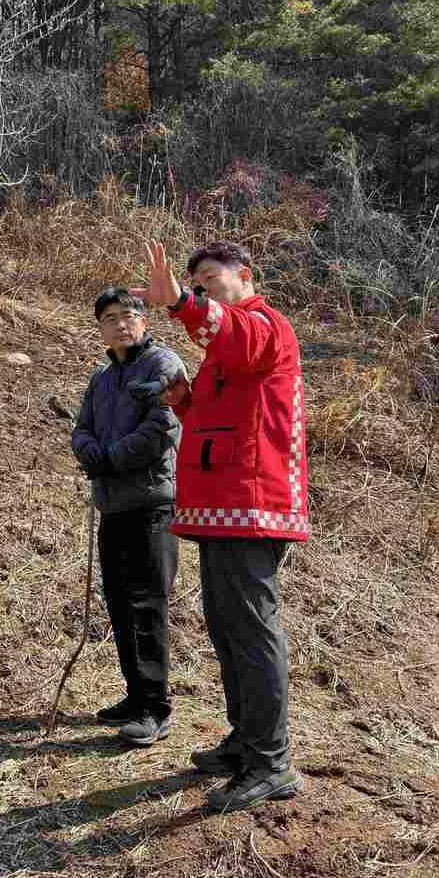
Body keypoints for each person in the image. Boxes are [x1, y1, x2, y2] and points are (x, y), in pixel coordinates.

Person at [131, 239, 310, 813]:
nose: (203, 285)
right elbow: (213, 415)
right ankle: (245, 740)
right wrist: (181, 398)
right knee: (228, 628)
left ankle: (270, 759)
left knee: (251, 631)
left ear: (245, 276)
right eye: (196, 279)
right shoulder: (228, 351)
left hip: (252, 507)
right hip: (221, 508)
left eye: (210, 276)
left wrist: (183, 302)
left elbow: (236, 337)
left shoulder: (265, 325)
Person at [71, 288, 186, 746]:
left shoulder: (164, 366)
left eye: (129, 315)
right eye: (110, 318)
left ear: (143, 321)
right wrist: (89, 453)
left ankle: (155, 707)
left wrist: (111, 458)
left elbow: (163, 428)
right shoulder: (102, 378)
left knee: (147, 605)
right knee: (120, 602)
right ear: (100, 327)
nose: (121, 324)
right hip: (113, 506)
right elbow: (81, 428)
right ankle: (135, 697)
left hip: (152, 505)